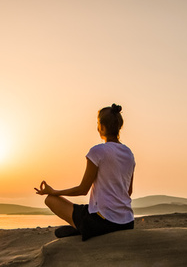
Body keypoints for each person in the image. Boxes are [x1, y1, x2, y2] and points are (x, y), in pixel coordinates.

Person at [34, 103, 135, 240]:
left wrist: (54, 192)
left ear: (102, 127)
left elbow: (82, 189)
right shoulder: (129, 154)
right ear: (119, 127)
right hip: (127, 222)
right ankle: (81, 226)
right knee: (84, 211)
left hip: (102, 222)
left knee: (51, 200)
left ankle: (81, 227)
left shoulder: (97, 151)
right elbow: (128, 192)